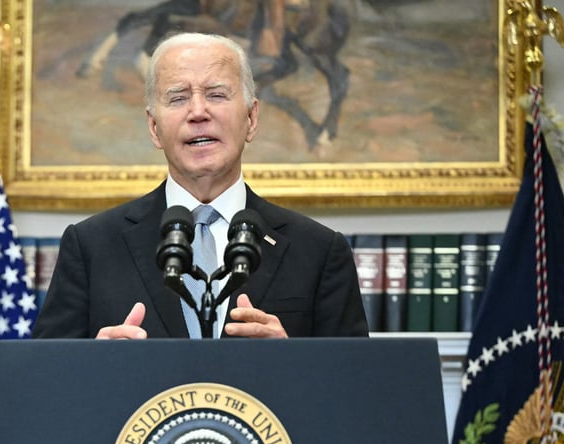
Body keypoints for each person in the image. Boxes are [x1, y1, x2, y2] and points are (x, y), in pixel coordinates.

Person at [33, 32, 367, 340]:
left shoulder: (320, 251)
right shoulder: (91, 246)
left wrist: (294, 360)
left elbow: (356, 386)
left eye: (217, 95)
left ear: (251, 119)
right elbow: (44, 382)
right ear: (153, 127)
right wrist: (89, 364)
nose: (197, 112)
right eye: (177, 98)